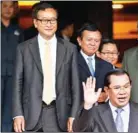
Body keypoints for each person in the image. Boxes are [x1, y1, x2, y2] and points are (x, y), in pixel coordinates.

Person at [12, 2, 80, 132]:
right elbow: (17, 83)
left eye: (52, 20)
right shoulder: (23, 48)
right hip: (29, 114)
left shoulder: (70, 49)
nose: (49, 24)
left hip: (60, 115)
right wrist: (17, 114)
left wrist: (74, 114)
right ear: (36, 23)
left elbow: (75, 85)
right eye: (44, 20)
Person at [73, 69, 138, 132]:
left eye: (126, 86)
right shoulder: (95, 112)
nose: (122, 92)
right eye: (117, 88)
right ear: (107, 90)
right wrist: (88, 105)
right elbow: (78, 130)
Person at [77, 22, 113, 104]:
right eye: (89, 40)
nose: (93, 44)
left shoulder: (107, 66)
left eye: (96, 40)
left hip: (101, 113)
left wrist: (106, 95)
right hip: (79, 113)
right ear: (79, 41)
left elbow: (112, 89)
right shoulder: (70, 63)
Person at [1, 1, 24, 132]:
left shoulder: (18, 30)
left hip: (13, 75)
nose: (8, 9)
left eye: (11, 6)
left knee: (9, 109)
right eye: (4, 6)